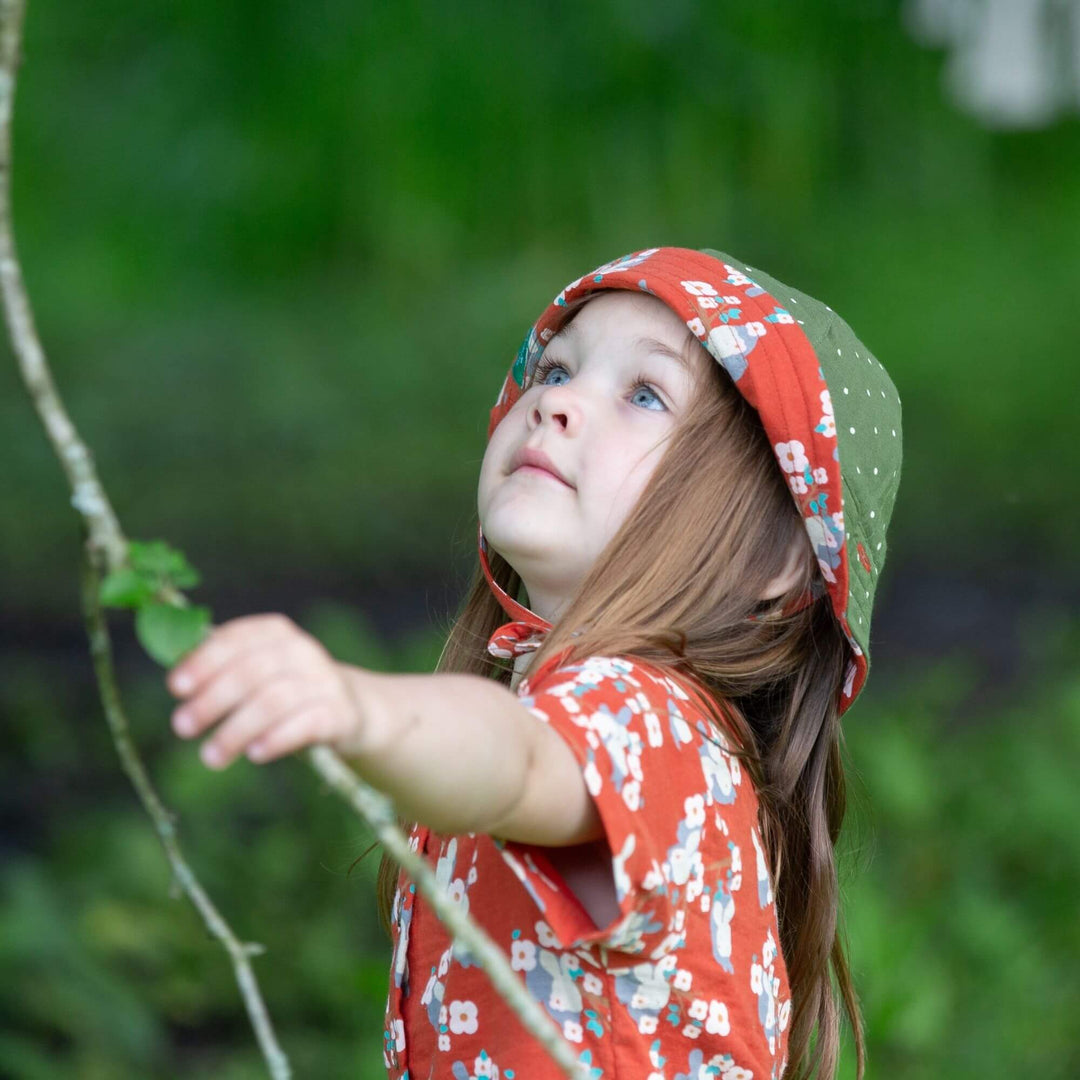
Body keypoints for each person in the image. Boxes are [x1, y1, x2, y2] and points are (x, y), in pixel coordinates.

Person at [165, 246, 902, 1080]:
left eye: (645, 394)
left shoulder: (653, 717)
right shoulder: (616, 714)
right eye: (555, 368)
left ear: (775, 562)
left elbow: (516, 759)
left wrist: (358, 707)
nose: (557, 403)